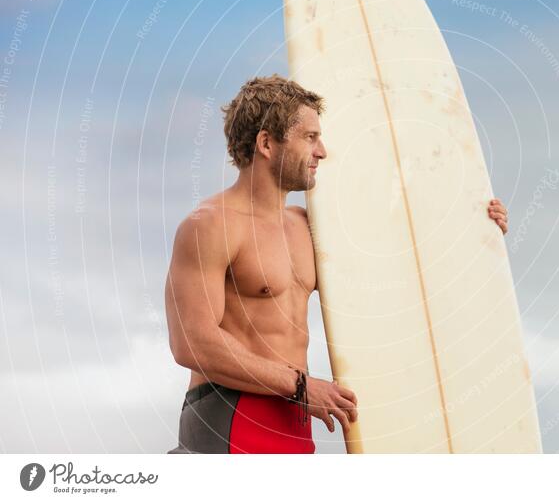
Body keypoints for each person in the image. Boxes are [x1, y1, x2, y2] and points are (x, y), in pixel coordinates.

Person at [165, 75, 510, 454]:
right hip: (229, 417)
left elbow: (400, 260)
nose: (322, 151)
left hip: (294, 423)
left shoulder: (307, 227)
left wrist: (478, 226)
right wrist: (299, 386)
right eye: (310, 137)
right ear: (267, 143)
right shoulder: (210, 226)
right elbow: (193, 345)